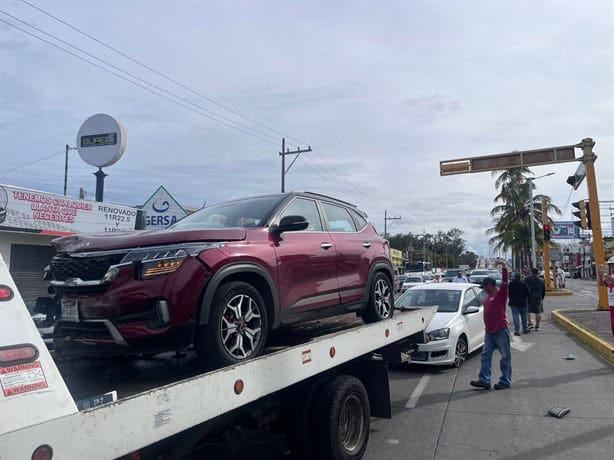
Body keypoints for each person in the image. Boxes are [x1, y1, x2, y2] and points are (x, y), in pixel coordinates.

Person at [470, 260, 512, 390]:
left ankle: (505, 381)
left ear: (490, 285)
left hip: (500, 331)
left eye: (484, 287)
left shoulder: (500, 294)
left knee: (505, 357)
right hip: (489, 332)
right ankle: (484, 380)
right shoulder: (487, 297)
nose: (484, 289)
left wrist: (504, 267)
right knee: (485, 355)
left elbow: (505, 282)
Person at [598, 256, 614, 336]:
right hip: (612, 304)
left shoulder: (610, 276)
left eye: (613, 265)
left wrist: (604, 274)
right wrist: (600, 275)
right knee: (613, 325)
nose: (612, 267)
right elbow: (602, 283)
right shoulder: (610, 276)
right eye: (611, 265)